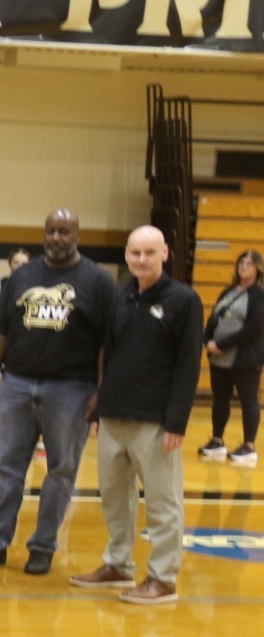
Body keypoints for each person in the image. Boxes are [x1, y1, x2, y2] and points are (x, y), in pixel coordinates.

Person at [0, 210, 117, 575]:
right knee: (6, 469)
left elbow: (106, 343)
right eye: (51, 231)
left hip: (72, 389)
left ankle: (43, 547)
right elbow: (0, 330)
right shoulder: (22, 276)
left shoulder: (97, 281)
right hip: (17, 384)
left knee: (61, 472)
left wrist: (100, 390)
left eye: (65, 231)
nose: (56, 237)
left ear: (77, 235)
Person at [71, 226, 203, 605]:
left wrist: (176, 421)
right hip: (114, 416)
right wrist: (100, 405)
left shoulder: (183, 301)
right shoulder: (120, 297)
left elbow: (188, 366)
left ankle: (163, 578)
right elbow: (108, 356)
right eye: (134, 253)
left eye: (149, 252)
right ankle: (118, 564)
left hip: (156, 421)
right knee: (114, 497)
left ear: (165, 253)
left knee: (163, 502)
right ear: (127, 256)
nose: (141, 260)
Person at [200, 249, 264, 467]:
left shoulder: (259, 295)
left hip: (245, 358)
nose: (244, 266)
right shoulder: (228, 291)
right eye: (241, 261)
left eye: (249, 263)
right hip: (219, 358)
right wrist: (206, 339)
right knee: (219, 399)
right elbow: (213, 318)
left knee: (248, 400)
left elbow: (254, 327)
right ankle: (217, 441)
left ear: (258, 269)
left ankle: (249, 447)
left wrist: (222, 344)